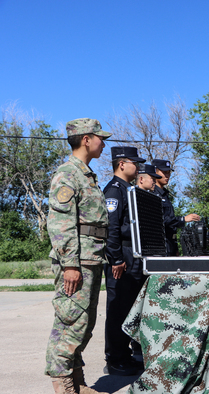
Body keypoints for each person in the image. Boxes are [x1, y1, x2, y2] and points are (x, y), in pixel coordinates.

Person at [44, 118, 111, 394]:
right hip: (78, 260)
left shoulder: (86, 174)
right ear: (86, 139)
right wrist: (70, 264)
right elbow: (60, 223)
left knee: (84, 323)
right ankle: (63, 385)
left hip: (92, 258)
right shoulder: (67, 174)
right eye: (100, 138)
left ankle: (77, 379)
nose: (103, 143)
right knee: (70, 321)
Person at [103, 146, 146, 376]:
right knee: (118, 309)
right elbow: (111, 227)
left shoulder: (128, 189)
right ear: (122, 164)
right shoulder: (114, 191)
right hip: (122, 256)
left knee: (130, 308)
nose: (137, 167)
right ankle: (115, 358)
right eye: (134, 163)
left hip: (133, 255)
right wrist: (116, 258)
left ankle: (126, 356)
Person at [152, 159, 200, 256]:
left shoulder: (165, 194)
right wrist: (183, 219)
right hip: (159, 247)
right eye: (164, 172)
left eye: (168, 173)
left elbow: (171, 226)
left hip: (170, 245)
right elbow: (161, 221)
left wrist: (175, 247)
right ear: (155, 172)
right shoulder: (153, 194)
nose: (167, 176)